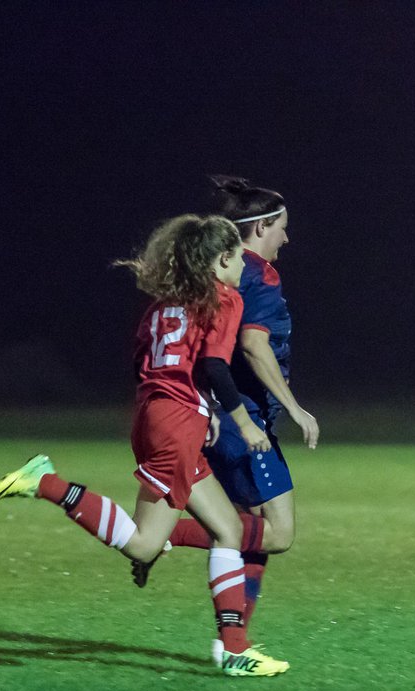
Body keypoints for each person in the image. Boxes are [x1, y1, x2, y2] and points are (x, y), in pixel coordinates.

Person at [0, 213, 289, 677]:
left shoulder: (161, 306)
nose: (241, 271)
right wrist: (241, 422)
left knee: (228, 529)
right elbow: (214, 365)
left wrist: (196, 413)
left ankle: (235, 649)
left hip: (156, 415)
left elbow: (149, 365)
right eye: (237, 262)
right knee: (145, 544)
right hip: (176, 423)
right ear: (223, 259)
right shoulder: (222, 298)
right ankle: (45, 483)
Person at [133, 176, 318, 666]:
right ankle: (162, 537)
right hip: (242, 421)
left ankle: (233, 643)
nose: (286, 237)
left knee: (245, 529)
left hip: (211, 417)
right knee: (276, 533)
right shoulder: (257, 275)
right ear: (258, 228)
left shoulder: (217, 277)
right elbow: (253, 346)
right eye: (281, 227)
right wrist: (294, 407)